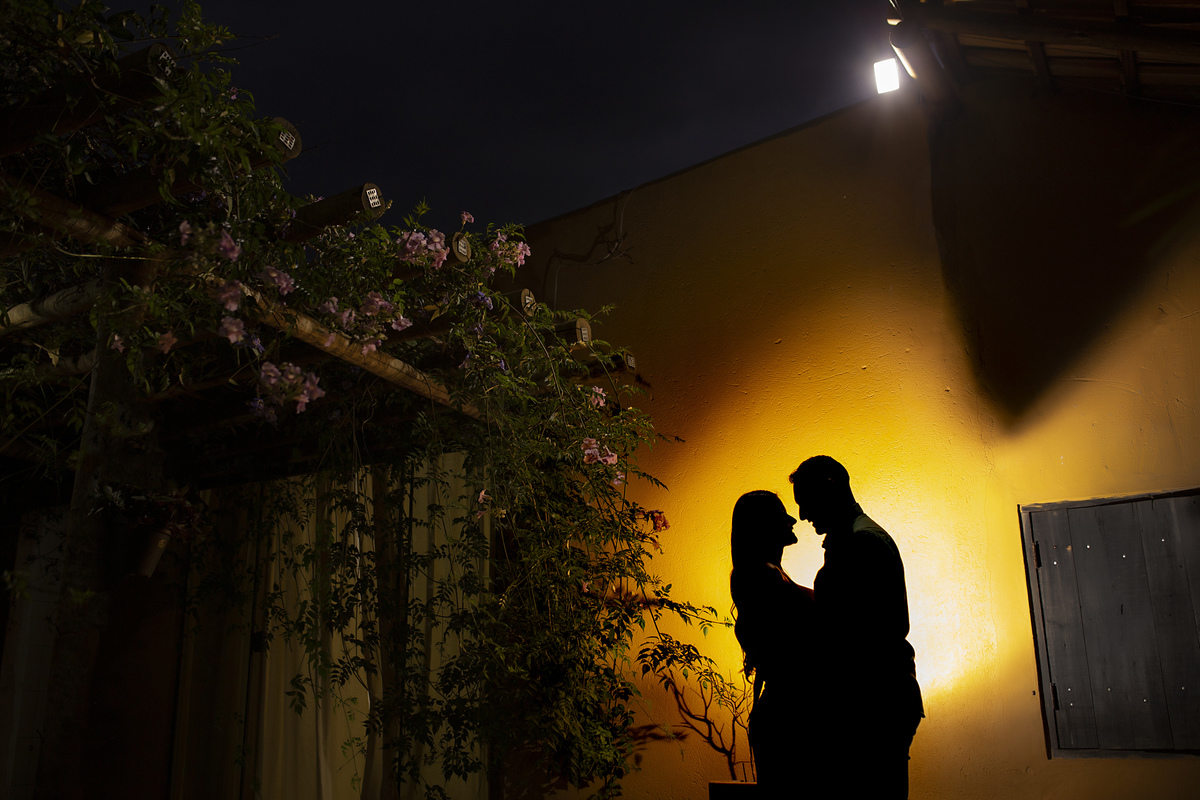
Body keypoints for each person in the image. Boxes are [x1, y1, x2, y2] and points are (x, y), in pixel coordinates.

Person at [789, 456, 923, 799]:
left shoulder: (859, 543)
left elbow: (854, 632)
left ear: (830, 487)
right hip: (881, 699)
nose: (803, 515)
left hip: (873, 704)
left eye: (806, 501)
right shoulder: (859, 537)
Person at [728, 490, 819, 793]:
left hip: (784, 712)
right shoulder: (763, 577)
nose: (793, 519)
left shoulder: (762, 575)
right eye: (781, 515)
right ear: (762, 526)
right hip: (789, 718)